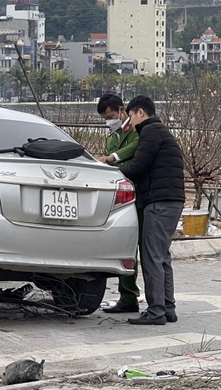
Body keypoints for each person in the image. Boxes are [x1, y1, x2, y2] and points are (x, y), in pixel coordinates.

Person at [120, 95, 185, 325]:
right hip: (172, 200)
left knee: (151, 257)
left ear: (140, 112)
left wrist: (115, 173)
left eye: (131, 117)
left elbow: (138, 167)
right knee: (162, 257)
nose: (131, 123)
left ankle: (156, 312)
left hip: (159, 201)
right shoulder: (161, 131)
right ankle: (168, 309)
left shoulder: (150, 131)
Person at [96, 94, 142, 314]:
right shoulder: (111, 138)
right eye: (105, 118)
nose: (109, 121)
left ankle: (153, 299)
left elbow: (135, 150)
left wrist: (113, 157)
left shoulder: (136, 131)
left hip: (141, 194)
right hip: (121, 198)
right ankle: (128, 296)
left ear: (122, 110)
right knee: (127, 248)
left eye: (111, 116)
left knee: (147, 250)